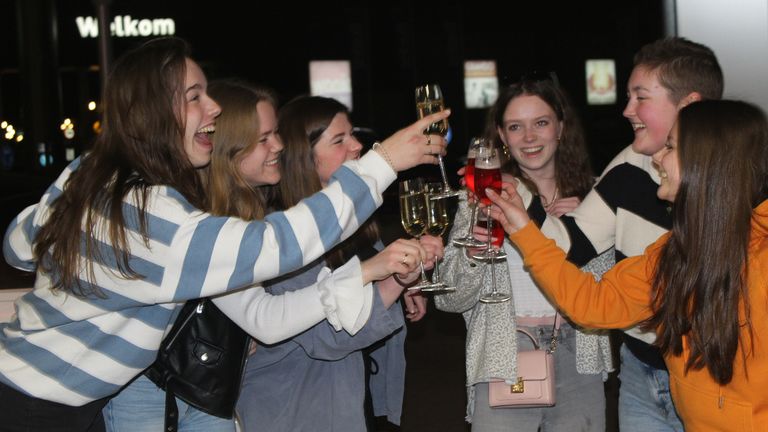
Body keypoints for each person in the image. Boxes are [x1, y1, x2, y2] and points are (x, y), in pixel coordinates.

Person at [0, 37, 448, 431]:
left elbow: (18, 247)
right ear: (152, 112)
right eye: (194, 96)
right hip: (36, 405)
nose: (213, 107)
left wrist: (73, 215)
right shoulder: (148, 213)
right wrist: (382, 162)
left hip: (58, 399)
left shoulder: (102, 181)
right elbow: (279, 245)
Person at [489, 99, 768, 431]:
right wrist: (524, 230)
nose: (657, 158)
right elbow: (593, 303)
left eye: (671, 147)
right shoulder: (675, 252)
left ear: (706, 162)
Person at [235, 95, 440, 432]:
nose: (357, 145)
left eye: (353, 134)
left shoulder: (357, 224)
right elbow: (329, 338)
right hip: (294, 411)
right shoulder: (282, 236)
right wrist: (393, 283)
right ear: (304, 156)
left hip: (352, 398)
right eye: (339, 140)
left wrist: (407, 274)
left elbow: (367, 289)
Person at [436, 76, 613, 431]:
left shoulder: (595, 197)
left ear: (561, 127)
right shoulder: (481, 199)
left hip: (579, 352)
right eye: (516, 127)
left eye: (541, 123)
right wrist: (473, 254)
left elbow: (614, 292)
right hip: (505, 354)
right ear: (502, 136)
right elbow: (449, 299)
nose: (529, 137)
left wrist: (582, 232)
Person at [565, 36, 723, 431]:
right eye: (628, 97)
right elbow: (570, 245)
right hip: (638, 369)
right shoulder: (630, 163)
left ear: (689, 106)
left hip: (713, 378)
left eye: (641, 97)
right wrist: (521, 207)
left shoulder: (740, 189)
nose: (627, 110)